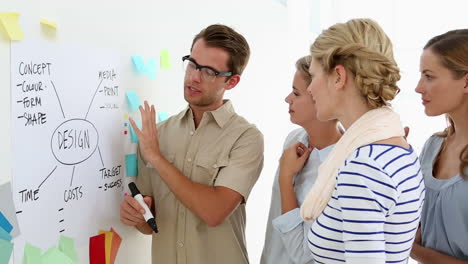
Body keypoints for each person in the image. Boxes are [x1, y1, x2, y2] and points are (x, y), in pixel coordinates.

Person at [119, 24, 264, 264]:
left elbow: (214, 211)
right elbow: (150, 223)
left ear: (232, 82)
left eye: (209, 71)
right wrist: (137, 217)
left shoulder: (246, 138)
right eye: (193, 64)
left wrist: (156, 157)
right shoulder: (159, 135)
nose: (194, 77)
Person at [300, 18, 425, 263]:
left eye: (313, 76)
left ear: (338, 76)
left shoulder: (364, 167)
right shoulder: (398, 149)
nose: (310, 89)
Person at [260, 56, 342, 264]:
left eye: (296, 93)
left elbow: (304, 254)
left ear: (321, 98)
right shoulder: (294, 139)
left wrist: (285, 177)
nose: (288, 99)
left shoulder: (343, 164)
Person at [410, 29, 468, 263]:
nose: (418, 87)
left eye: (429, 76)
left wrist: (411, 249)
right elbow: (420, 229)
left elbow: (413, 243)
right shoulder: (432, 147)